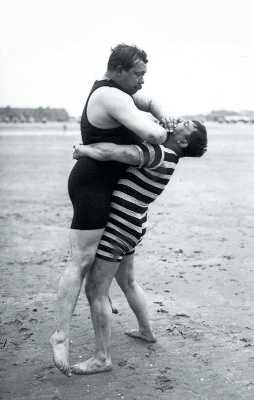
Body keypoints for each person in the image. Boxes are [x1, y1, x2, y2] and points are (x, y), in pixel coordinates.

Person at [50, 43, 179, 377]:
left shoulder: (122, 91)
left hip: (112, 193)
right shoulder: (110, 96)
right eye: (138, 74)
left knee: (125, 276)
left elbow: (149, 106)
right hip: (93, 187)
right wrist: (168, 131)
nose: (142, 82)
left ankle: (144, 331)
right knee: (80, 261)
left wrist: (162, 111)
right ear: (118, 71)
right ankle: (61, 336)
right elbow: (152, 132)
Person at [69, 119, 207, 375]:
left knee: (95, 289)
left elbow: (111, 152)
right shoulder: (170, 157)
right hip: (134, 224)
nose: (178, 120)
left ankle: (102, 359)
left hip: (121, 226)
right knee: (128, 281)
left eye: (185, 124)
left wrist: (82, 149)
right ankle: (146, 331)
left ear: (183, 141)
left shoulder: (158, 153)